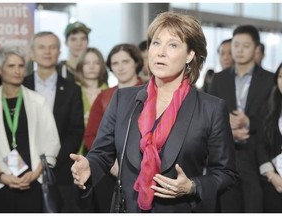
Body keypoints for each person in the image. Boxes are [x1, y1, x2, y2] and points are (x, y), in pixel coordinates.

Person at [70, 11, 238, 213]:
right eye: (156, 43)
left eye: (173, 45)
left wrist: (192, 186)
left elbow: (226, 173)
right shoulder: (124, 100)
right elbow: (102, 154)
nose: (160, 52)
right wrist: (89, 167)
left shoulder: (210, 108)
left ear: (190, 55)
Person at [208, 25, 274, 212]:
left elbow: (274, 118)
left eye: (246, 46)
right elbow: (209, 116)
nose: (239, 50)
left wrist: (249, 122)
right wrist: (227, 125)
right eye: (236, 45)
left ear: (256, 49)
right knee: (228, 207)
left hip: (258, 155)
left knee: (256, 206)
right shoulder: (219, 79)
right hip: (227, 156)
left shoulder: (270, 80)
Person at [23, 32, 84, 212]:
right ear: (32, 53)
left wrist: (51, 159)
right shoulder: (21, 86)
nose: (47, 52)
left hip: (60, 171)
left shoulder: (72, 89)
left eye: (53, 47)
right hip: (24, 169)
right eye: (41, 47)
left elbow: (76, 131)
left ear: (59, 52)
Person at [0, 46, 60, 212]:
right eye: (11, 66)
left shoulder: (38, 101)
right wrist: (2, 176)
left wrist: (36, 173)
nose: (17, 71)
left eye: (21, 66)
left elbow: (52, 142)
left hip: (34, 180)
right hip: (0, 181)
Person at [82, 43, 144, 212]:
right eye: (115, 63)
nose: (121, 67)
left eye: (125, 61)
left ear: (136, 63)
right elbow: (90, 136)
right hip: (108, 171)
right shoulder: (104, 96)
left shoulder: (151, 93)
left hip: (142, 170)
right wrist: (110, 163)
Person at [257, 63, 282, 212]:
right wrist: (271, 175)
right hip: (273, 184)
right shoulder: (270, 107)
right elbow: (260, 144)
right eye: (280, 76)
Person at [74, 47, 108, 155]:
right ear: (80, 66)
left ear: (102, 66)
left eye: (96, 63)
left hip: (103, 150)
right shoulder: (73, 92)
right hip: (76, 149)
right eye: (86, 63)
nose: (91, 66)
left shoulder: (110, 93)